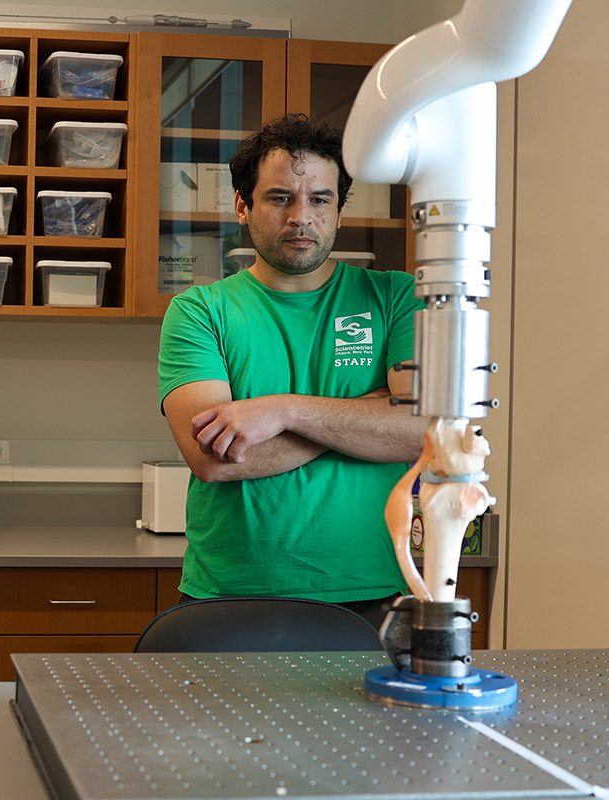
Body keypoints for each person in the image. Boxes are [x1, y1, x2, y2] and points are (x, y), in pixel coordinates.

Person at [156, 114, 430, 629]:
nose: (301, 216)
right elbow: (213, 460)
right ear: (243, 205)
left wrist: (282, 411)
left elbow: (420, 432)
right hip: (231, 595)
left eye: (320, 199)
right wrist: (368, 415)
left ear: (339, 210)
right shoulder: (199, 312)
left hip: (374, 593)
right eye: (280, 197)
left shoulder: (396, 297)